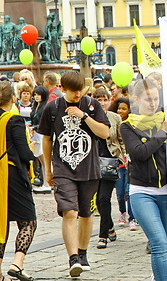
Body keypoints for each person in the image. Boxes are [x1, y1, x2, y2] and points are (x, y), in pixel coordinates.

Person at [38, 71, 110, 277]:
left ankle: (83, 252)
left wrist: (84, 116)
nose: (78, 94)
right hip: (63, 168)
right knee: (69, 211)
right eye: (73, 91)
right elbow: (47, 139)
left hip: (89, 168)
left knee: (86, 213)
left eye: (80, 90)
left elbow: (104, 133)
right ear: (62, 88)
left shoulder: (92, 105)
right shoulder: (52, 108)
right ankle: (73, 258)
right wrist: (48, 170)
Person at [120, 79, 167, 281]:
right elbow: (140, 153)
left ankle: (157, 277)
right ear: (137, 100)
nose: (153, 104)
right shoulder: (128, 126)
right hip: (142, 192)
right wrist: (162, 133)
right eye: (148, 100)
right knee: (159, 243)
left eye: (156, 99)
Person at [0, 81, 37, 281]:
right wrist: (34, 155)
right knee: (28, 221)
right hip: (12, 175)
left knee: (1, 222)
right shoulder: (14, 120)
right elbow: (23, 153)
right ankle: (17, 263)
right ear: (13, 99)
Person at [93, 88, 126, 249]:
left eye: (105, 99)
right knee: (98, 200)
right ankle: (110, 226)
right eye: (99, 99)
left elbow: (121, 139)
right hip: (93, 163)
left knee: (103, 198)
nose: (102, 103)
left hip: (111, 161)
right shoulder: (89, 117)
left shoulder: (115, 118)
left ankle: (103, 235)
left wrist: (124, 156)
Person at [107, 97, 136, 229]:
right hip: (117, 161)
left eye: (124, 108)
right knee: (119, 192)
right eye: (119, 108)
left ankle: (132, 216)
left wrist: (127, 156)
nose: (121, 111)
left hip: (129, 161)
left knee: (128, 190)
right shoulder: (113, 120)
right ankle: (122, 212)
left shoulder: (132, 123)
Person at [30, 85, 52, 194]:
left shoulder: (44, 107)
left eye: (38, 94)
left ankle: (47, 183)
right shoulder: (36, 106)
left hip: (41, 135)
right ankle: (45, 182)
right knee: (41, 160)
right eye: (35, 94)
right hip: (36, 134)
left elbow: (44, 123)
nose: (36, 97)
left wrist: (34, 127)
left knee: (45, 161)